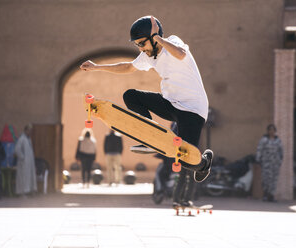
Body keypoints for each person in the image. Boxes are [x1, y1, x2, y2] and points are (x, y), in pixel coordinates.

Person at [80, 15, 213, 207]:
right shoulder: (147, 56)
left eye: (142, 43)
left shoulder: (173, 42)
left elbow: (181, 54)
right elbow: (127, 67)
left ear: (154, 37)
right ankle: (147, 135)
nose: (141, 49)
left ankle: (204, 163)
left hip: (193, 110)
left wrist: (159, 38)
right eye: (137, 45)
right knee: (131, 96)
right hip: (170, 103)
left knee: (186, 158)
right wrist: (96, 67)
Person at [256, 124, 283, 202]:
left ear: (275, 131)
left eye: (273, 130)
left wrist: (280, 161)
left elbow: (281, 151)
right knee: (266, 179)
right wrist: (258, 160)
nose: (272, 131)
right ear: (267, 131)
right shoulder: (264, 140)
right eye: (270, 130)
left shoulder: (278, 140)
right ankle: (265, 195)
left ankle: (271, 196)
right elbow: (259, 150)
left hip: (275, 163)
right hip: (266, 163)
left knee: (274, 180)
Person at [15, 124, 37, 196]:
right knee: (23, 178)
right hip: (23, 163)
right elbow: (17, 150)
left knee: (29, 177)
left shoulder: (29, 139)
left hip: (29, 163)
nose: (30, 132)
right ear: (25, 130)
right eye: (29, 130)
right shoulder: (22, 139)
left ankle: (29, 191)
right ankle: (22, 193)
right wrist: (23, 158)